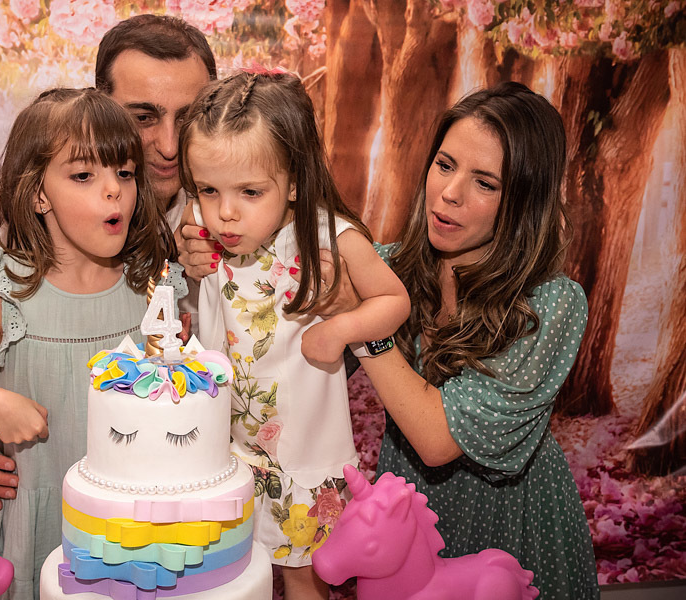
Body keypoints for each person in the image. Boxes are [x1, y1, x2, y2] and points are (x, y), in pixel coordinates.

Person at [0, 14, 218, 508]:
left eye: (186, 118)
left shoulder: (237, 215)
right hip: (38, 491)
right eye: (143, 117)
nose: (169, 145)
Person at [347, 82, 598, 598]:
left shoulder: (549, 304)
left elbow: (438, 439)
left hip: (512, 530)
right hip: (408, 523)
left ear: (523, 201)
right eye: (445, 165)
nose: (450, 192)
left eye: (485, 182)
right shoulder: (388, 270)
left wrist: (365, 325)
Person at [0, 87, 176, 600]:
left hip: (130, 523)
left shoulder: (154, 287)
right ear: (38, 194)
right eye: (84, 175)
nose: (113, 191)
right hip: (32, 520)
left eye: (125, 173)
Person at [179, 71, 411, 600]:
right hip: (224, 449)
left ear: (293, 180)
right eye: (208, 189)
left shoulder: (328, 237)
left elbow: (394, 300)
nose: (225, 212)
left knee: (304, 575)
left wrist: (343, 329)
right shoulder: (203, 228)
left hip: (303, 452)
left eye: (249, 192)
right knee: (227, 570)